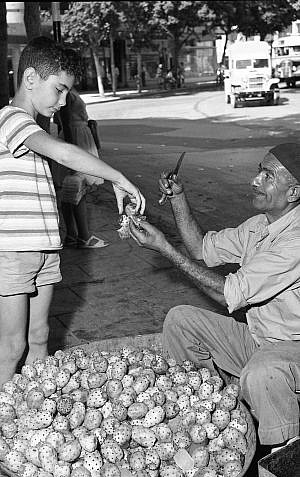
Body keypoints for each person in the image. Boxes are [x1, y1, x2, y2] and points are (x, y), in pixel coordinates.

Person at [129, 143, 300, 452]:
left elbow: (227, 294)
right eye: (259, 171)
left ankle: (284, 453)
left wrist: (166, 249)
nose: (255, 181)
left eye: (268, 176)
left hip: (292, 349)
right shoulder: (261, 225)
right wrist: (177, 198)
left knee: (264, 373)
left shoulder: (295, 239)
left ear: (293, 193)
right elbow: (200, 249)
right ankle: (213, 414)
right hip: (261, 338)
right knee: (181, 321)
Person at [0, 36, 145, 388]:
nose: (64, 101)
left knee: (39, 337)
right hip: (15, 252)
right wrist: (118, 177)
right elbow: (64, 154)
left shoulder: (38, 126)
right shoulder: (11, 119)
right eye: (60, 90)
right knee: (12, 344)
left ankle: (35, 407)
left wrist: (103, 182)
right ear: (31, 78)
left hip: (46, 248)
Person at [55, 84, 108, 248]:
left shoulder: (68, 90)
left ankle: (72, 235)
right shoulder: (67, 92)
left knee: (70, 190)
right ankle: (83, 237)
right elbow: (64, 122)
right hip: (77, 139)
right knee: (78, 189)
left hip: (78, 137)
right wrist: (72, 153)